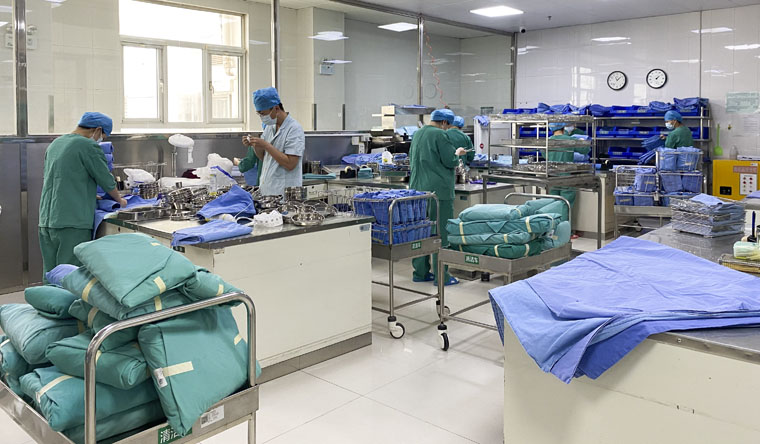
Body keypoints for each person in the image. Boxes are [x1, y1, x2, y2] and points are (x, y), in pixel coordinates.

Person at [38, 112, 126, 282]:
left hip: (47, 220)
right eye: (103, 136)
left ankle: (48, 299)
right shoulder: (87, 145)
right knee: (70, 276)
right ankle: (65, 301)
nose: (101, 139)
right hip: (72, 221)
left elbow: (61, 178)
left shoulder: (56, 143)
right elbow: (105, 179)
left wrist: (87, 192)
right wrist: (120, 200)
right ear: (98, 130)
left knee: (51, 273)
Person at [410, 109, 468, 286]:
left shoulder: (418, 133)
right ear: (444, 122)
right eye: (448, 125)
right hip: (438, 192)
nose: (448, 129)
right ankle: (442, 276)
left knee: (421, 232)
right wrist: (457, 153)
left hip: (417, 190)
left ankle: (420, 272)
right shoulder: (440, 135)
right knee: (440, 233)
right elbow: (450, 160)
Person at [242, 87, 305, 196]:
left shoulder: (294, 129)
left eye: (263, 114)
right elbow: (264, 157)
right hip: (267, 191)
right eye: (259, 114)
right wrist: (255, 145)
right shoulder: (270, 127)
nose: (262, 117)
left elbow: (290, 164)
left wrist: (266, 145)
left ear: (276, 108)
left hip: (285, 193)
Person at [548, 122, 591, 228]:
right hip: (566, 176)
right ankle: (565, 232)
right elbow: (585, 150)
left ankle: (552, 230)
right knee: (565, 204)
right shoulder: (569, 139)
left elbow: (545, 154)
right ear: (563, 127)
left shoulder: (548, 141)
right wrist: (583, 141)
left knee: (553, 203)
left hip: (552, 176)